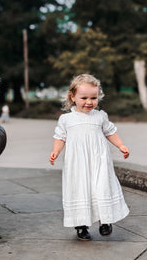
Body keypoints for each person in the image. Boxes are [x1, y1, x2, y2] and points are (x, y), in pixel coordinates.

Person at [49, 74, 130, 241]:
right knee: (80, 189)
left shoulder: (100, 116)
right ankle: (81, 225)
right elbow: (60, 137)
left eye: (93, 98)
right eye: (84, 97)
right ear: (73, 96)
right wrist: (55, 151)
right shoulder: (66, 119)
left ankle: (105, 220)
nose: (89, 102)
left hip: (99, 161)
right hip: (77, 164)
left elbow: (110, 132)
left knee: (102, 186)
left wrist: (121, 145)